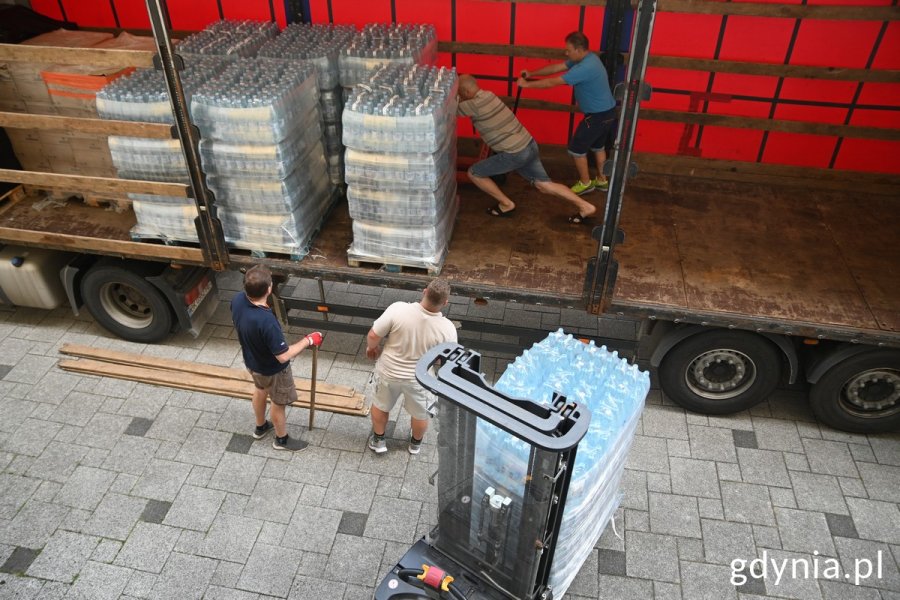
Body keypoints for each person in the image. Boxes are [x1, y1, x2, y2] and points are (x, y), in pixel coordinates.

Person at [457, 74, 598, 224]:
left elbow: (446, 110)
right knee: (544, 185)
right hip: (529, 144)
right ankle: (586, 206)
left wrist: (453, 96)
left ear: (465, 92)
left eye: (460, 93)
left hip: (514, 153)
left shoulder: (472, 105)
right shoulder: (489, 95)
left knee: (475, 173)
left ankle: (506, 204)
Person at [231, 264, 323, 452]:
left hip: (252, 363)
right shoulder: (266, 321)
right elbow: (283, 356)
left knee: (259, 390)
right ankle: (281, 440)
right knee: (278, 402)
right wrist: (308, 340)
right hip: (273, 370)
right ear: (269, 289)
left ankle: (260, 426)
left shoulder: (238, 300)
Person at [518, 31, 617, 198]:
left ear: (578, 49)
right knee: (598, 147)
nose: (566, 53)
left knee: (576, 149)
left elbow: (553, 82)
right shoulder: (588, 58)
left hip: (597, 116)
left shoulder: (585, 67)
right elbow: (557, 67)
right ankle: (601, 180)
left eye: (568, 50)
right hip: (607, 113)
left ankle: (585, 184)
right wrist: (532, 74)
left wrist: (527, 86)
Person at [365, 278, 458, 455]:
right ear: (445, 302)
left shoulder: (398, 309)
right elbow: (444, 360)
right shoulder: (448, 329)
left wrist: (372, 347)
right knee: (420, 414)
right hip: (420, 379)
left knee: (380, 406)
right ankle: (415, 444)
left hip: (388, 372)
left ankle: (379, 441)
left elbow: (373, 335)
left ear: (425, 291)